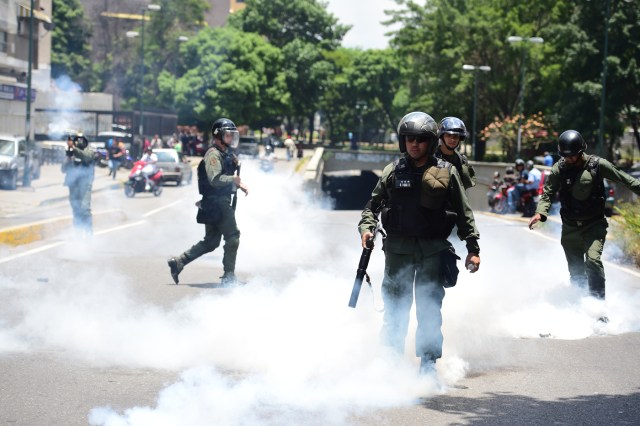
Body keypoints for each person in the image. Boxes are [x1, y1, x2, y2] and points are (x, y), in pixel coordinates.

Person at [358, 111, 481, 375]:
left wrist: (473, 248)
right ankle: (390, 363)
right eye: (409, 139)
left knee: (428, 311)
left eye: (421, 140)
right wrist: (367, 229)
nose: (415, 145)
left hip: (432, 252)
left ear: (430, 142)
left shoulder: (446, 172)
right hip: (398, 252)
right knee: (395, 310)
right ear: (403, 142)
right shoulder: (393, 171)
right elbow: (372, 206)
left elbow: (463, 211)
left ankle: (427, 365)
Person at [529, 130, 640, 301]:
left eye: (573, 156)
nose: (570, 159)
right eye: (566, 156)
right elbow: (547, 193)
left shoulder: (598, 165)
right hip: (570, 228)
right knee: (576, 272)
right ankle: (579, 305)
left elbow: (626, 179)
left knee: (593, 261)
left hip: (594, 225)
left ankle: (598, 306)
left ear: (581, 151)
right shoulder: (560, 168)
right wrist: (540, 213)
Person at [168, 118, 249, 286]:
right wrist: (233, 179)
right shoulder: (213, 154)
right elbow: (215, 179)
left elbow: (228, 173)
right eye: (227, 135)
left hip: (216, 202)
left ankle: (179, 262)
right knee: (233, 236)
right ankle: (228, 277)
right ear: (218, 135)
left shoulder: (225, 152)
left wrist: (239, 183)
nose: (231, 138)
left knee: (212, 241)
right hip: (217, 202)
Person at [61, 134, 95, 238]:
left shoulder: (89, 151)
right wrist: (68, 158)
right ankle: (78, 231)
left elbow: (86, 157)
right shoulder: (72, 154)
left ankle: (88, 231)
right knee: (76, 209)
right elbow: (63, 169)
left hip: (85, 184)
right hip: (73, 184)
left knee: (84, 209)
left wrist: (74, 149)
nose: (77, 143)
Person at [435, 117, 476, 190]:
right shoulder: (432, 158)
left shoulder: (462, 160)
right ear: (442, 136)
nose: (452, 139)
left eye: (456, 136)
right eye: (448, 135)